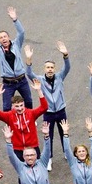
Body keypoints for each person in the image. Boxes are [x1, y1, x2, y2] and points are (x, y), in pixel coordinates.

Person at [26, 41, 72, 169]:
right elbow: (29, 74)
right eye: (48, 67)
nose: (50, 69)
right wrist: (29, 59)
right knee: (48, 136)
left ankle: (67, 152)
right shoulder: (39, 80)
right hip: (48, 113)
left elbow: (67, 68)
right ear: (44, 69)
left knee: (64, 132)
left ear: (54, 69)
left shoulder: (60, 77)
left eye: (52, 67)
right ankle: (49, 158)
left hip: (61, 110)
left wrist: (65, 55)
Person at [0, 8, 30, 107]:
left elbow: (21, 32)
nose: (3, 39)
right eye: (1, 38)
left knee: (28, 101)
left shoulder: (16, 44)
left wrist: (15, 20)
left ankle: (30, 121)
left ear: (9, 37)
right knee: (7, 106)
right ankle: (8, 123)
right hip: (8, 83)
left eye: (5, 36)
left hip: (22, 80)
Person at [0, 79, 47, 161]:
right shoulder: (9, 116)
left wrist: (39, 90)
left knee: (37, 167)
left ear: (24, 104)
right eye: (17, 106)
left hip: (33, 147)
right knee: (21, 171)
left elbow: (44, 107)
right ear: (12, 106)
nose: (20, 108)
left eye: (21, 105)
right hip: (18, 149)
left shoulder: (31, 113)